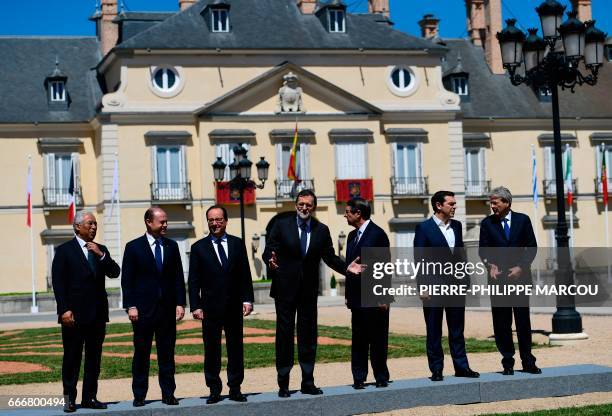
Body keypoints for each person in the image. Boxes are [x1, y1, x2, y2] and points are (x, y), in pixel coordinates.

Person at [263, 189, 363, 398]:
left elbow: (329, 257)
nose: (304, 208)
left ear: (314, 207)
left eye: (308, 204)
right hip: (284, 290)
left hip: (308, 292)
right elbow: (269, 249)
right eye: (301, 204)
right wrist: (269, 260)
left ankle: (308, 382)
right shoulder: (281, 225)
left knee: (308, 336)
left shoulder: (321, 229)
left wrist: (346, 268)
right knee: (284, 336)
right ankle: (283, 383)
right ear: (296, 204)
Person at [52, 211, 120, 413]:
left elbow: (115, 272)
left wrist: (101, 255)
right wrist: (64, 309)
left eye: (95, 224)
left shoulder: (101, 249)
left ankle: (90, 397)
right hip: (73, 316)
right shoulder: (64, 251)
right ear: (77, 227)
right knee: (72, 358)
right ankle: (69, 399)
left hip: (97, 315)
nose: (93, 227)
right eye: (89, 224)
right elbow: (58, 283)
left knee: (94, 359)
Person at [188, 205, 254, 404]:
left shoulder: (237, 244)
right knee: (212, 351)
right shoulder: (198, 248)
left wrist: (247, 299)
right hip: (210, 309)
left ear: (225, 221)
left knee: (236, 349)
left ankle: (235, 388)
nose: (214, 223)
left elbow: (245, 274)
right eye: (211, 220)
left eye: (218, 219)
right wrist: (195, 306)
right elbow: (193, 280)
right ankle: (214, 389)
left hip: (234, 307)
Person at [121, 207, 186, 407]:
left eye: (166, 221)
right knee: (141, 354)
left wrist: (180, 303)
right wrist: (130, 305)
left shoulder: (172, 246)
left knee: (167, 354)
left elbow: (178, 277)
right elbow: (127, 280)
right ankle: (139, 395)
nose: (165, 224)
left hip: (166, 311)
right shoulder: (133, 247)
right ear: (149, 222)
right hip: (142, 311)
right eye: (162, 221)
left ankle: (168, 393)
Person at [413, 191, 479, 382]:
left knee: (457, 329)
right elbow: (419, 259)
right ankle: (436, 369)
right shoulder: (424, 228)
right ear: (438, 206)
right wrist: (423, 287)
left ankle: (462, 367)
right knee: (434, 330)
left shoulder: (457, 226)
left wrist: (466, 281)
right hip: (433, 286)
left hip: (456, 287)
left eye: (455, 203)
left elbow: (461, 256)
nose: (454, 207)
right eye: (451, 204)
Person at [479, 186, 540, 375]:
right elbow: (483, 250)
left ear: (506, 202)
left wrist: (521, 267)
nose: (492, 206)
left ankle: (528, 361)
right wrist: (491, 265)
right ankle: (507, 362)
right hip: (498, 282)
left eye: (495, 202)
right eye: (491, 203)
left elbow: (531, 247)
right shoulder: (487, 224)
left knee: (523, 322)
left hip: (520, 280)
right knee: (501, 323)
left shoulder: (523, 220)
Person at [343, 198, 391, 389]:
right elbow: (350, 267)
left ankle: (380, 376)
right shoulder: (351, 236)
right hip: (356, 298)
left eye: (347, 211)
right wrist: (348, 293)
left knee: (378, 339)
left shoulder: (378, 234)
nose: (345, 215)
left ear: (358, 213)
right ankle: (359, 377)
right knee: (359, 339)